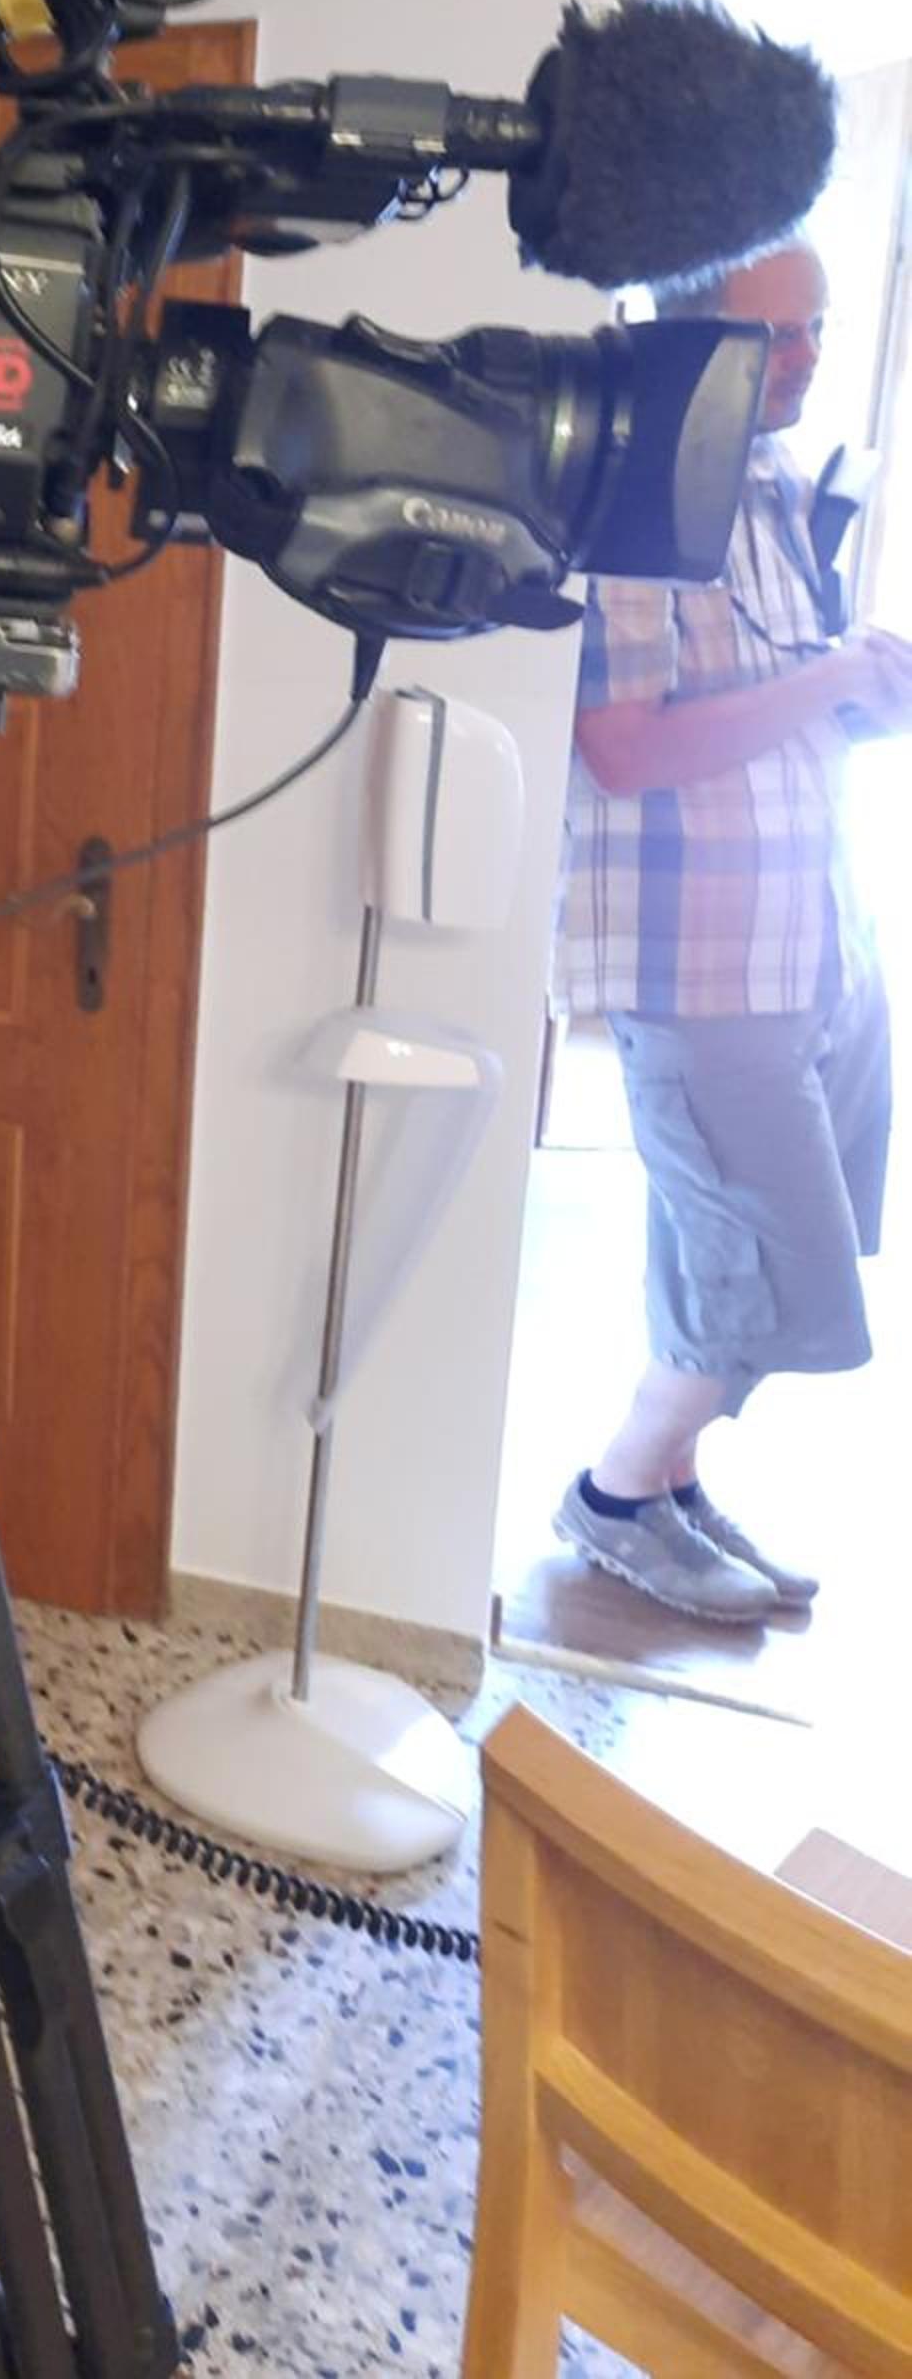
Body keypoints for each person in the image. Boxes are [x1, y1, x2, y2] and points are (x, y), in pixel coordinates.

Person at [550, 238, 912, 1619]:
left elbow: (770, 698)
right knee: (769, 1271)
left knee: (729, 1258)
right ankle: (613, 1496)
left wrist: (855, 696)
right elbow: (623, 747)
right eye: (779, 337)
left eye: (817, 327)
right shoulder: (640, 494)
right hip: (701, 959)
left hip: (812, 930)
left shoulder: (769, 477)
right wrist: (827, 679)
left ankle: (666, 1486)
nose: (808, 358)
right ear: (693, 341)